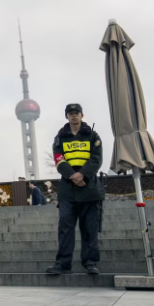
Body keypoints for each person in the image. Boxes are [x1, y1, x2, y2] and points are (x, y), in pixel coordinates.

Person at [46, 104, 104, 276]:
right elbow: (59, 160)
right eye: (70, 114)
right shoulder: (59, 138)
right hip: (68, 189)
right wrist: (73, 176)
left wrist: (82, 175)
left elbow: (96, 159)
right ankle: (63, 263)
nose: (74, 116)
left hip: (90, 188)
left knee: (89, 229)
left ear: (82, 115)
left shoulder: (93, 136)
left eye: (76, 113)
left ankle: (90, 262)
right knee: (65, 228)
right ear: (67, 116)